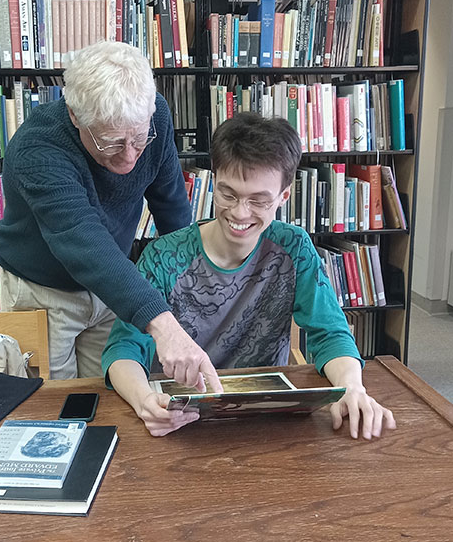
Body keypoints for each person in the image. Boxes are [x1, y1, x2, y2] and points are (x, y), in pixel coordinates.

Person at [102, 113, 397, 440]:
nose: (240, 213)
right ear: (214, 181)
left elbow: (329, 332)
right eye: (228, 194)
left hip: (266, 422)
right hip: (180, 422)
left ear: (284, 196)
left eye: (259, 200)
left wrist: (353, 388)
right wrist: (145, 401)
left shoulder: (293, 247)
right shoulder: (163, 256)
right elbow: (122, 349)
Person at [0, 40, 222, 389]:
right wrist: (162, 323)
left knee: (111, 392)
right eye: (111, 142)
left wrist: (190, 281)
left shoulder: (154, 115)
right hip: (43, 292)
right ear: (74, 115)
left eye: (138, 139)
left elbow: (171, 203)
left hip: (112, 288)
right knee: (54, 404)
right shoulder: (36, 149)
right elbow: (83, 242)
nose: (129, 158)